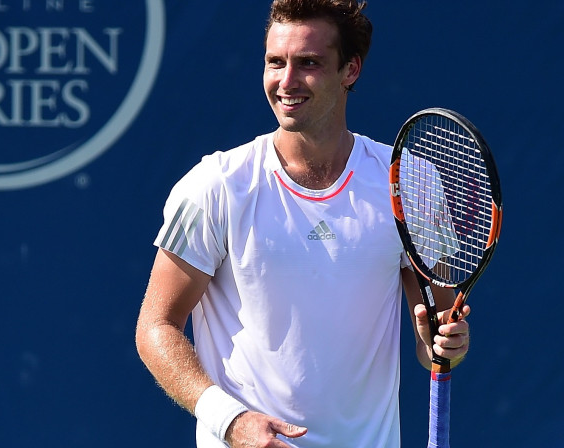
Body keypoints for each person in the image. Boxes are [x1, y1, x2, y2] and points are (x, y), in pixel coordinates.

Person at [135, 0, 471, 447]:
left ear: (350, 70)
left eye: (308, 63)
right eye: (275, 62)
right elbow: (155, 327)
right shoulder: (215, 186)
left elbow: (435, 340)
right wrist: (230, 420)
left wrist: (444, 346)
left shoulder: (411, 182)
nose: (286, 81)